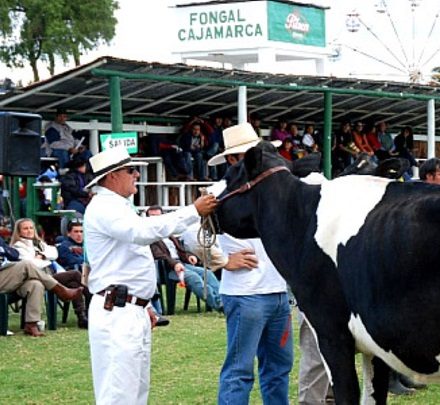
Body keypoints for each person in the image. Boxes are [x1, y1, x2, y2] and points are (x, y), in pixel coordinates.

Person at [83, 146, 217, 404]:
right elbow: (142, 232)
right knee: (119, 394)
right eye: (131, 170)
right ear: (112, 176)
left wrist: (143, 302)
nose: (136, 175)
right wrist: (193, 211)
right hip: (118, 310)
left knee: (134, 392)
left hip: (129, 308)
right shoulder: (104, 207)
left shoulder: (116, 206)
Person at [207, 123, 294, 404]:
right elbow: (189, 234)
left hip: (275, 292)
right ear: (233, 160)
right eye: (249, 155)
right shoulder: (218, 191)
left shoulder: (273, 187)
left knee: (278, 368)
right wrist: (222, 260)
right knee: (242, 370)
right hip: (247, 294)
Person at [11, 218, 89, 329]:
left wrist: (42, 256)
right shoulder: (18, 247)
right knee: (75, 274)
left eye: (31, 228)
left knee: (74, 284)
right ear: (19, 232)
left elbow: (54, 252)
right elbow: (31, 264)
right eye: (25, 228)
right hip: (38, 278)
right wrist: (44, 259)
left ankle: (82, 318)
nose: (29, 231)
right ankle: (91, 309)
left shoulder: (38, 243)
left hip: (50, 274)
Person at [0, 237, 83, 336]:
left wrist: (4, 250)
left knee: (35, 284)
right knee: (27, 265)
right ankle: (62, 291)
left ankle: (31, 324)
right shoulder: (19, 243)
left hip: (6, 275)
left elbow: (14, 254)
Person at [146, 205, 222, 312]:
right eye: (152, 216)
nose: (155, 219)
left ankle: (224, 300)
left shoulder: (168, 234)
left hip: (182, 264)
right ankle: (219, 304)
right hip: (167, 269)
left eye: (158, 216)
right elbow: (159, 255)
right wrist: (175, 264)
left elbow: (180, 250)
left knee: (207, 273)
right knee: (193, 277)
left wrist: (189, 256)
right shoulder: (148, 237)